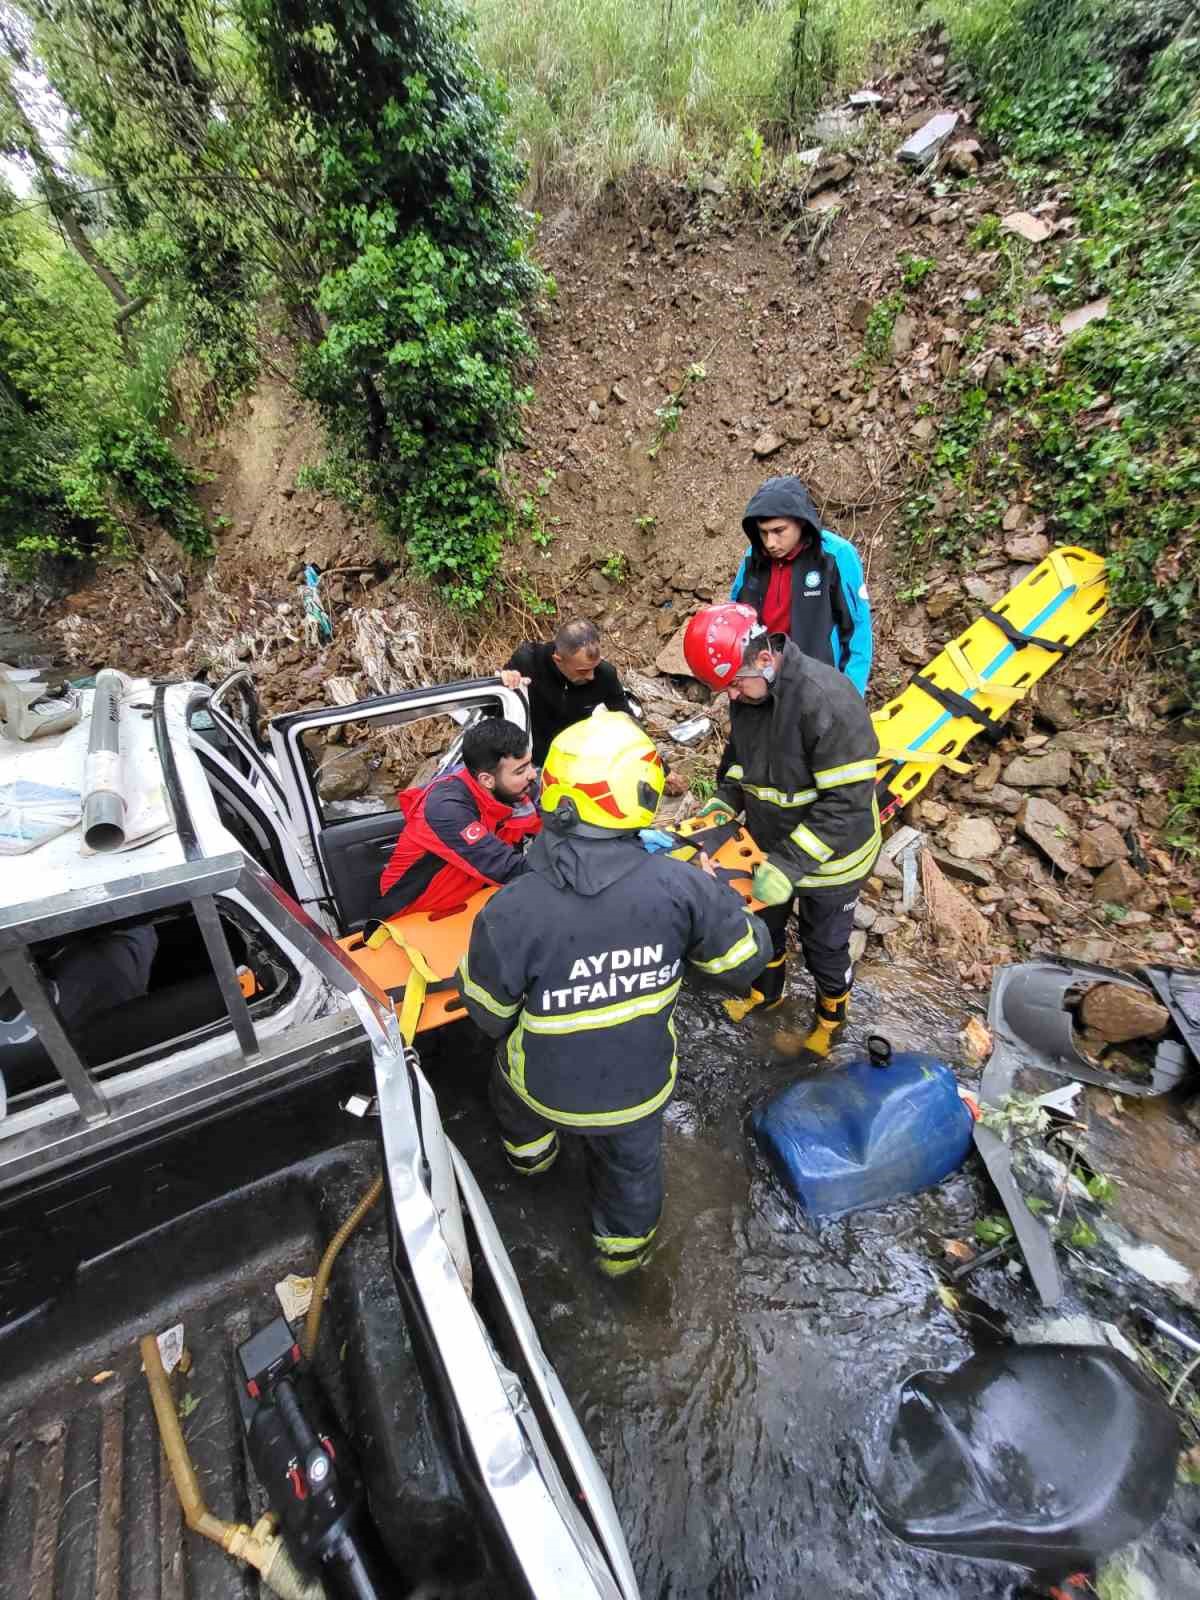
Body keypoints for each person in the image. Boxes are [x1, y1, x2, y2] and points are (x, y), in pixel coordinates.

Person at [456, 711, 770, 1277]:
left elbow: (487, 1015)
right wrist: (725, 899)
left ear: (559, 799)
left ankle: (533, 1171)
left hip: (543, 1090)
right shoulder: (682, 887)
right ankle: (623, 1268)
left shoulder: (511, 909)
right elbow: (745, 961)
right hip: (638, 1093)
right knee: (634, 1175)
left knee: (506, 1089)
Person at [683, 602, 880, 1057]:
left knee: (824, 947)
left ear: (765, 659)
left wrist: (790, 864)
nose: (730, 696)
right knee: (764, 928)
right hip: (769, 846)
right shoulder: (752, 695)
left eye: (733, 683)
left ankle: (830, 1020)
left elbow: (846, 802)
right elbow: (739, 760)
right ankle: (765, 995)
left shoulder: (827, 700)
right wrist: (723, 803)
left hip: (834, 860)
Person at [374, 718, 540, 920]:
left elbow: (553, 819)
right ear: (487, 779)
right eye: (520, 770)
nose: (532, 774)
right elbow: (504, 866)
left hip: (472, 901)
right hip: (415, 914)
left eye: (530, 763)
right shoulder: (446, 809)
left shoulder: (514, 788)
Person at [730, 475, 872, 694]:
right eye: (763, 532)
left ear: (801, 521)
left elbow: (857, 631)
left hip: (819, 687)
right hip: (764, 685)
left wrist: (850, 697)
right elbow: (736, 619)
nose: (770, 543)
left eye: (779, 531)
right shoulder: (753, 558)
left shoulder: (836, 555)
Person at [499, 618, 633, 765]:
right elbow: (496, 707)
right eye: (583, 671)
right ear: (558, 659)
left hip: (574, 761)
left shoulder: (605, 674)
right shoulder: (528, 661)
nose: (591, 676)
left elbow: (627, 720)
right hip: (530, 760)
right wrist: (505, 680)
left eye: (594, 667)